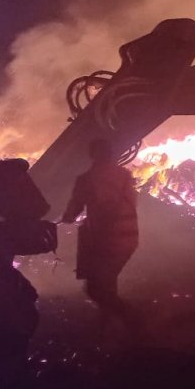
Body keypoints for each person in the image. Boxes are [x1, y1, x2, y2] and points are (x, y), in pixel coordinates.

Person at [61, 138, 139, 342]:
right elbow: (132, 202)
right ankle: (105, 329)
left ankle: (135, 323)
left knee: (95, 288)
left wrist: (63, 219)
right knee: (108, 282)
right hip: (129, 237)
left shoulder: (87, 179)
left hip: (105, 241)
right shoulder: (124, 175)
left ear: (92, 154)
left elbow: (72, 212)